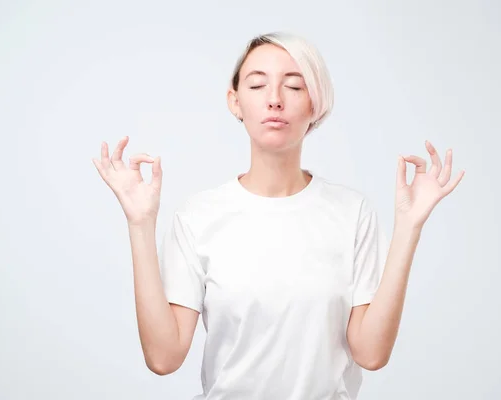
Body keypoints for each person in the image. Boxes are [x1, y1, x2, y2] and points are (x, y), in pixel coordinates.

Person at [92, 31, 464, 400]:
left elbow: (372, 353)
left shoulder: (352, 213)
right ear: (234, 102)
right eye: (257, 86)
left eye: (294, 86)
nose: (274, 100)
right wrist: (139, 224)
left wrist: (409, 227)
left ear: (316, 104)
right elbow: (164, 356)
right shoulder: (198, 217)